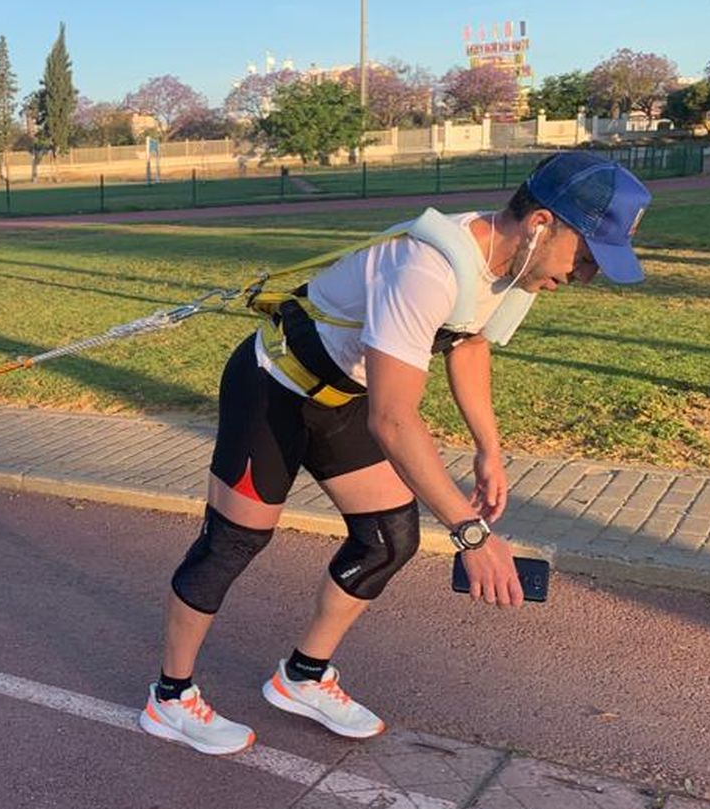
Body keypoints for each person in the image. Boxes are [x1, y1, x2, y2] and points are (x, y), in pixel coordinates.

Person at [138, 150, 652, 754]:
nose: (584, 276)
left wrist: (490, 450)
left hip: (341, 398)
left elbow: (467, 342)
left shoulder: (513, 268)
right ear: (542, 223)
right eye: (587, 257)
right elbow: (393, 419)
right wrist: (470, 534)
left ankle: (302, 677)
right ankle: (169, 698)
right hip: (273, 388)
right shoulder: (427, 269)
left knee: (387, 536)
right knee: (233, 542)